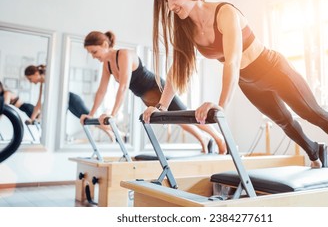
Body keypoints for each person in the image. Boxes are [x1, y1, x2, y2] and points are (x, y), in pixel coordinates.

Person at [142, 0, 328, 174]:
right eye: (166, 1)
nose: (170, 6)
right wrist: (161, 107)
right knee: (284, 122)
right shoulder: (186, 27)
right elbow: (177, 69)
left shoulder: (225, 13)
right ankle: (314, 151)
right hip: (247, 81)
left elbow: (232, 61)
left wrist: (220, 106)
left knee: (312, 113)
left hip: (274, 69)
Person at [81, 30, 227, 154]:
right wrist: (91, 114)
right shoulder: (107, 65)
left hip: (157, 88)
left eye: (94, 51)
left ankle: (218, 137)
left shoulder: (124, 54)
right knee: (178, 120)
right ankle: (204, 139)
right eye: (91, 53)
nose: (94, 56)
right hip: (145, 96)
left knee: (183, 113)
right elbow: (101, 91)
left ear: (105, 45)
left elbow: (123, 86)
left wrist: (112, 115)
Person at [24, 65, 114, 141]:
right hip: (67, 101)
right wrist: (32, 119)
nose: (30, 81)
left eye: (30, 78)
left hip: (71, 99)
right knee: (86, 121)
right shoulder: (42, 84)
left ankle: (113, 131)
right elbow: (39, 103)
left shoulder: (50, 79)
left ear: (36, 74)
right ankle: (111, 133)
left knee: (89, 119)